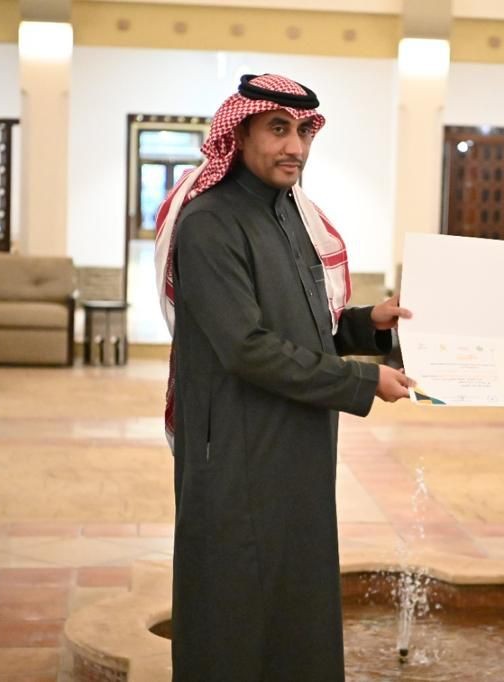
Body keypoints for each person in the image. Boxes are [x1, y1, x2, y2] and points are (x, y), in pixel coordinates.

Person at [154, 74, 412, 681]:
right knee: (235, 604)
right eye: (277, 129)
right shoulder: (211, 223)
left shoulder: (293, 216)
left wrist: (367, 324)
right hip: (236, 452)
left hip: (298, 444)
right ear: (240, 133)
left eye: (304, 132)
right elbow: (246, 348)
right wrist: (362, 383)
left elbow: (307, 327)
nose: (295, 146)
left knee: (298, 596)